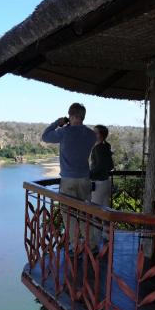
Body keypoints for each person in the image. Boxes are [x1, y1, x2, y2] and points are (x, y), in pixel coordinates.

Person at [42, 103, 96, 253]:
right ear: (83, 116)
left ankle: (75, 245)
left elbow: (45, 136)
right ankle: (91, 245)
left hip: (68, 179)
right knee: (86, 212)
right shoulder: (91, 134)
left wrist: (58, 123)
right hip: (85, 179)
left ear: (70, 116)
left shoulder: (64, 132)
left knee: (68, 212)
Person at [90, 125, 114, 243]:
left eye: (96, 133)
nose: (93, 135)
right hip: (106, 182)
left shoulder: (98, 148)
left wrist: (88, 174)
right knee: (105, 211)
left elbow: (99, 166)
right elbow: (110, 166)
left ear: (101, 135)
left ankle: (95, 238)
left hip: (98, 183)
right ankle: (107, 235)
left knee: (96, 212)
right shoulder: (106, 146)